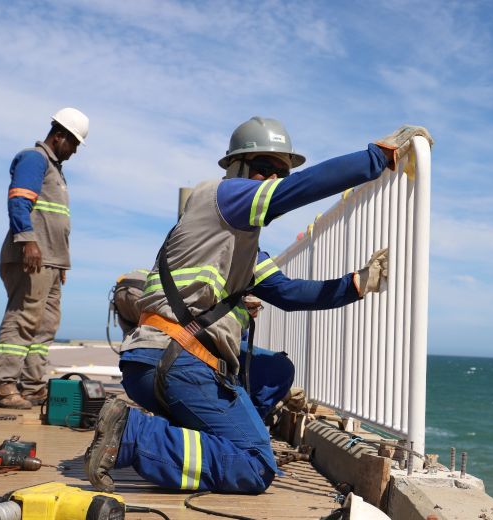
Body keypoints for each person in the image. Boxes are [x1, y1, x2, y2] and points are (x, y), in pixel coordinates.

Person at [84, 117, 432, 494]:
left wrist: (358, 284)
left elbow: (289, 294)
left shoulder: (240, 246)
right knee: (255, 467)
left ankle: (211, 440)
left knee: (276, 370)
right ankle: (135, 436)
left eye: (279, 173)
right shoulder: (223, 196)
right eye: (264, 169)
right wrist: (377, 158)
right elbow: (294, 192)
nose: (273, 180)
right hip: (176, 359)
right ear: (236, 168)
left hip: (164, 360)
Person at [0, 108, 89, 409]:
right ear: (59, 136)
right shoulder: (35, 159)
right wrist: (28, 241)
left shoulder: (57, 171)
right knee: (23, 319)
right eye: (72, 143)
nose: (73, 151)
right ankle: (4, 386)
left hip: (51, 261)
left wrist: (60, 263)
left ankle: (32, 387)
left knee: (46, 325)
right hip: (31, 256)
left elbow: (55, 222)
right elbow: (19, 201)